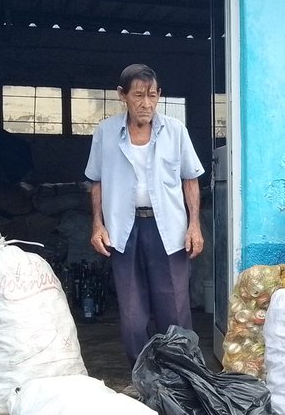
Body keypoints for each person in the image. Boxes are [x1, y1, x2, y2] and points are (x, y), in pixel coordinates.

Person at [85, 64, 205, 365]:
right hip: (123, 231)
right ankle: (144, 375)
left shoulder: (175, 131)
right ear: (122, 95)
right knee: (132, 312)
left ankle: (182, 373)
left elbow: (190, 179)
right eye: (138, 95)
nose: (146, 103)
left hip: (168, 231)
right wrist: (97, 224)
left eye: (152, 95)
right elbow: (96, 181)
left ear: (160, 95)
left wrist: (194, 226)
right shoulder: (106, 133)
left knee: (174, 308)